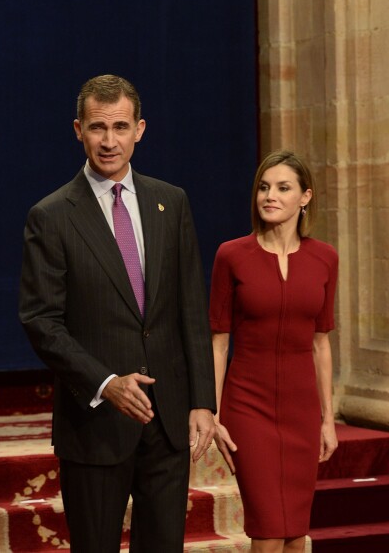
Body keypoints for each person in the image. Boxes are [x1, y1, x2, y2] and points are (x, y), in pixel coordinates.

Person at [19, 74, 216, 552]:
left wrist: (202, 402)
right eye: (97, 128)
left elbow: (191, 309)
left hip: (167, 423)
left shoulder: (173, 201)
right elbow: (42, 322)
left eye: (121, 127)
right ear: (78, 130)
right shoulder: (52, 216)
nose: (109, 141)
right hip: (95, 426)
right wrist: (107, 383)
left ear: (140, 129)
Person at [209, 150, 339, 553]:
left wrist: (328, 418)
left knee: (296, 531)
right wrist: (212, 414)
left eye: (283, 188)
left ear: (305, 198)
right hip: (248, 405)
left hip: (301, 410)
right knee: (268, 529)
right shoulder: (231, 255)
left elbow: (321, 342)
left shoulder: (325, 258)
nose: (270, 195)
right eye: (264, 187)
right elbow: (218, 341)